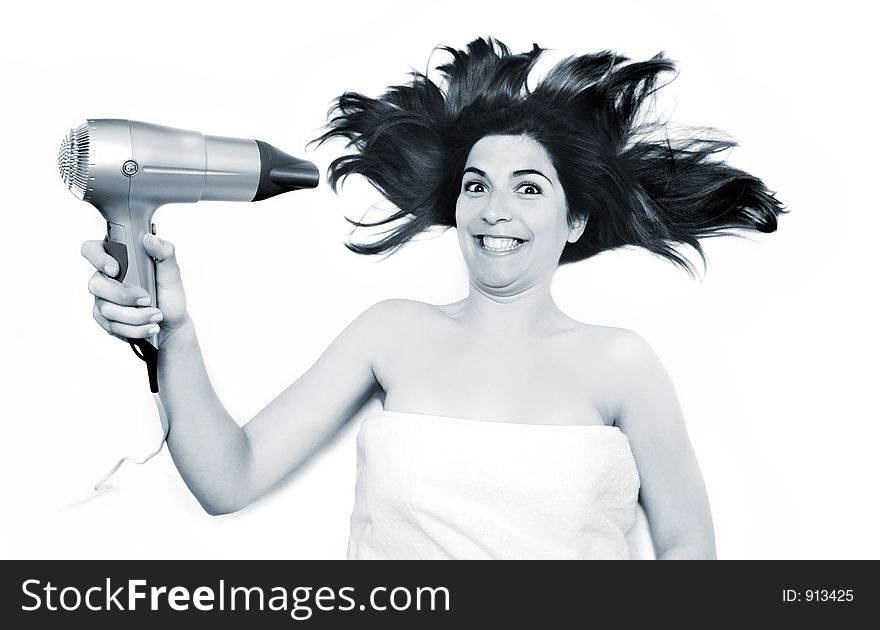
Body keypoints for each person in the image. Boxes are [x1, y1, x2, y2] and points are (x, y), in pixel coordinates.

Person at [81, 38, 784, 559]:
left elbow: (689, 543)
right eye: (476, 185)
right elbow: (227, 478)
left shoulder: (621, 363)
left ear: (574, 222)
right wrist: (172, 331)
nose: (494, 208)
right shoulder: (391, 334)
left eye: (529, 187)